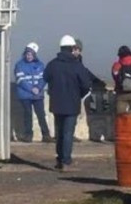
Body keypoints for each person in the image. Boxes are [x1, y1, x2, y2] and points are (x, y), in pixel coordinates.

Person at [43, 34, 103, 171]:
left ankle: (59, 160)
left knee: (59, 133)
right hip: (72, 103)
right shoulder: (76, 65)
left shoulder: (52, 64)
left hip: (56, 103)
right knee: (68, 133)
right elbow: (86, 84)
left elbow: (45, 78)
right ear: (71, 48)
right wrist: (79, 96)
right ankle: (66, 161)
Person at [12, 42, 51, 143]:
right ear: (25, 54)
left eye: (31, 54)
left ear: (34, 55)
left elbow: (43, 78)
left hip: (37, 95)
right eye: (27, 54)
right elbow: (20, 80)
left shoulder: (40, 65)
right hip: (25, 95)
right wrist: (31, 89)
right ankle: (28, 135)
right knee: (27, 115)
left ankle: (46, 135)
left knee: (41, 114)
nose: (29, 56)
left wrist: (38, 88)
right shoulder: (19, 65)